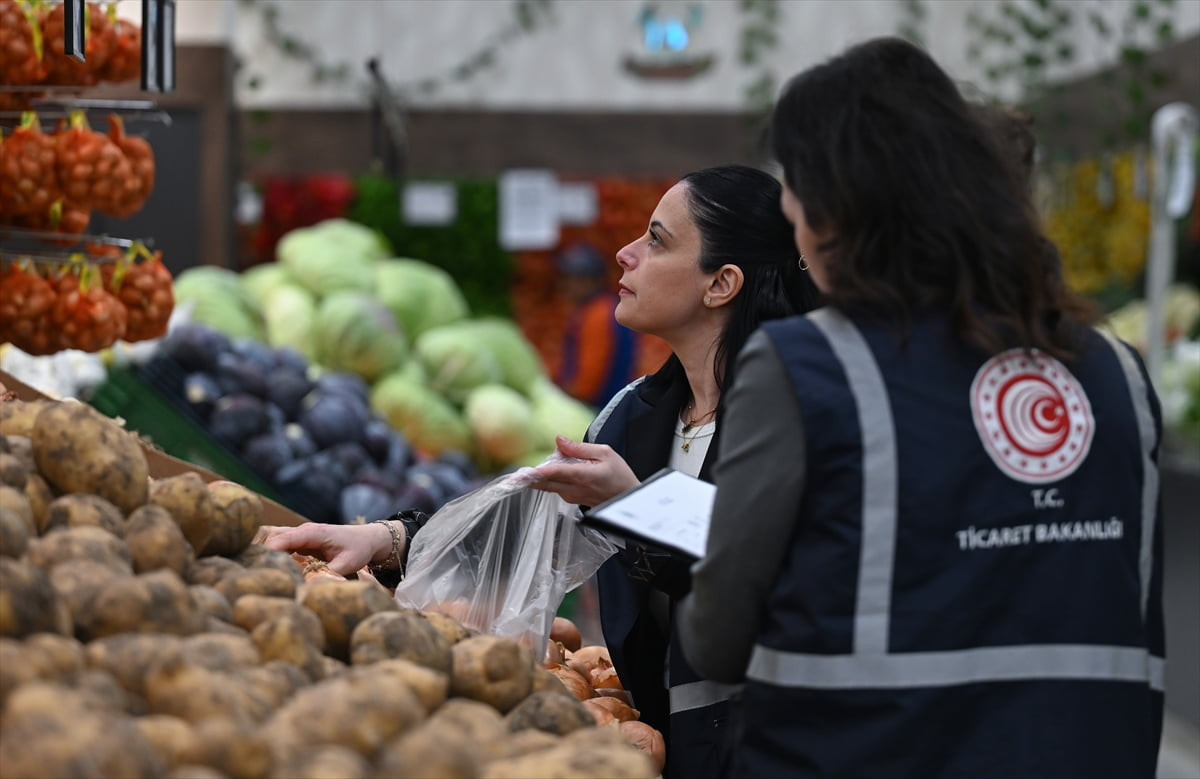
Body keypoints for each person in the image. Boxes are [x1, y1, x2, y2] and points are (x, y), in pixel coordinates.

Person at [676, 38, 1165, 778]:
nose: (789, 213)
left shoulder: (808, 364)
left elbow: (717, 636)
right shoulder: (1118, 373)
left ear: (842, 210)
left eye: (797, 189)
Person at [260, 164, 820, 779]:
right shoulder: (633, 417)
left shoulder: (801, 420)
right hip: (668, 745)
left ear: (722, 284)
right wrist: (387, 539)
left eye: (657, 241)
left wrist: (633, 504)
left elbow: (781, 574)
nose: (625, 253)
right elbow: (536, 527)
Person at [554, 242, 643, 407]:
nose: (566, 285)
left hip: (600, 408)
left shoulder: (598, 314)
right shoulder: (601, 308)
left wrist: (557, 396)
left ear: (591, 280)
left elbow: (586, 385)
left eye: (573, 279)